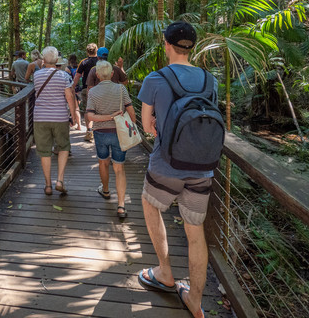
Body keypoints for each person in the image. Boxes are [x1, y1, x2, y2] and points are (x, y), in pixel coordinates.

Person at [137, 21, 217, 318]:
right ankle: (195, 302)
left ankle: (165, 272)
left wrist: (160, 126)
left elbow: (147, 127)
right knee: (195, 232)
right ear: (192, 47)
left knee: (149, 204)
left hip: (166, 163)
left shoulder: (156, 78)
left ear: (166, 44)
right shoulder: (211, 80)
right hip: (203, 167)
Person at [85, 61, 136, 219]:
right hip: (119, 132)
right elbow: (130, 109)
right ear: (112, 74)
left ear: (98, 75)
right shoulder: (121, 89)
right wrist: (133, 127)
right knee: (119, 168)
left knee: (103, 162)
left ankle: (105, 190)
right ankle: (121, 205)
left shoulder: (92, 92)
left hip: (100, 132)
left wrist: (106, 118)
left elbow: (90, 116)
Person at [33, 46, 77, 196]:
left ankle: (47, 185)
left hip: (40, 118)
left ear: (43, 60)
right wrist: (74, 116)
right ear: (58, 60)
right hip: (60, 117)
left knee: (45, 152)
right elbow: (69, 97)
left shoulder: (37, 76)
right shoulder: (64, 76)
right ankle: (59, 180)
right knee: (64, 147)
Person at [72, 43, 98, 141]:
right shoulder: (101, 62)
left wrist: (73, 87)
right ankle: (98, 130)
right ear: (96, 51)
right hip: (100, 89)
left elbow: (77, 76)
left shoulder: (83, 62)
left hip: (87, 89)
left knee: (89, 109)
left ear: (87, 51)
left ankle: (89, 131)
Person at [64, 54, 82, 130]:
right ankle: (78, 125)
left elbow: (66, 79)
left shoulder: (68, 68)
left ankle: (75, 123)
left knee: (73, 108)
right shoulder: (79, 67)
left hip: (72, 89)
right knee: (77, 108)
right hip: (80, 89)